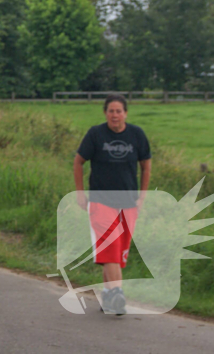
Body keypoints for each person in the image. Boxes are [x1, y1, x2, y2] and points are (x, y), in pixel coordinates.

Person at [73, 93, 151, 315]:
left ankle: (108, 296)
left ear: (125, 113)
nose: (115, 115)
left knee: (117, 256)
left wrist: (143, 196)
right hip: (101, 202)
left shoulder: (137, 135)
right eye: (111, 111)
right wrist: (80, 193)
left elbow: (146, 165)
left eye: (119, 111)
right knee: (112, 250)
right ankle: (117, 297)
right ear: (105, 113)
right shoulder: (96, 134)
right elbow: (78, 162)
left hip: (128, 203)